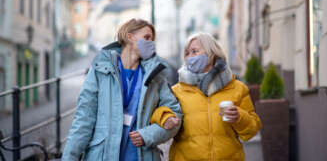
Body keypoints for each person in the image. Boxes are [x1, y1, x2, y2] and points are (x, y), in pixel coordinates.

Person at [62, 19, 182, 161]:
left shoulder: (156, 75)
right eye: (147, 38)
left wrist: (149, 135)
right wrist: (69, 157)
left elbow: (176, 115)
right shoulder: (101, 69)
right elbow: (84, 119)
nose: (151, 43)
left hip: (142, 155)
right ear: (129, 36)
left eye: (152, 40)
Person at [169, 32, 262, 161]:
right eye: (187, 53)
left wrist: (239, 117)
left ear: (211, 54)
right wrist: (165, 120)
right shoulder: (176, 91)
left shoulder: (237, 88)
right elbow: (161, 118)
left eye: (195, 51)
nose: (190, 57)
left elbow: (251, 131)